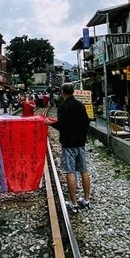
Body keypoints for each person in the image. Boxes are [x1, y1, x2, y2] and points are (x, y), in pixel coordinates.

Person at [46, 83, 91, 214]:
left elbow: (63, 125)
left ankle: (74, 203)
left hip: (69, 144)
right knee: (84, 170)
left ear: (62, 92)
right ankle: (87, 200)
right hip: (81, 143)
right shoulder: (80, 105)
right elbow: (86, 122)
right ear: (73, 92)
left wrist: (50, 123)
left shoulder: (63, 106)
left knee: (70, 171)